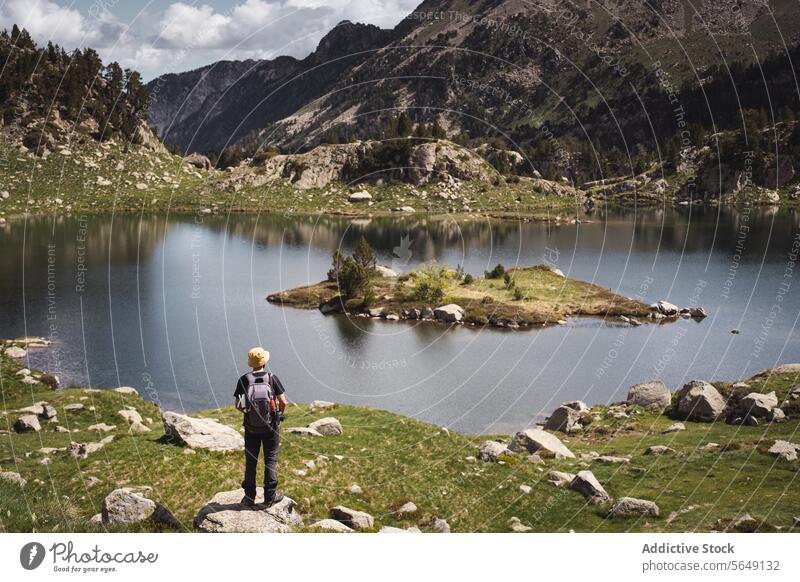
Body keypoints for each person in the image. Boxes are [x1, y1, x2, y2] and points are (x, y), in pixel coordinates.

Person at [234, 347, 288, 507]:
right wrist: (279, 414)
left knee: (251, 462)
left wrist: (248, 411)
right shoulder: (272, 378)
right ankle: (269, 497)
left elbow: (237, 404)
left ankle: (249, 497)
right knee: (270, 460)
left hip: (251, 428)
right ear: (264, 361)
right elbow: (283, 401)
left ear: (251, 363)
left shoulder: (244, 380)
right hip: (271, 428)